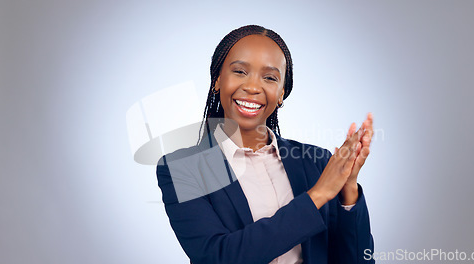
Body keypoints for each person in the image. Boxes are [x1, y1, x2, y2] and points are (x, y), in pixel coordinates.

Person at [156, 24, 375, 264]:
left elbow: (358, 260)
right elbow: (218, 256)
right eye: (240, 71)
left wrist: (348, 189)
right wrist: (318, 195)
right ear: (217, 80)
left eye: (270, 77)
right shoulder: (182, 169)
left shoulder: (317, 162)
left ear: (281, 93)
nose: (252, 87)